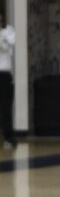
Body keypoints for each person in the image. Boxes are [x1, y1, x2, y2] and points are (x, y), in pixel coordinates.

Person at [0, 10, 16, 150]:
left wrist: (3, 36)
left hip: (4, 74)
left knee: (5, 106)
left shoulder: (8, 31)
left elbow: (11, 42)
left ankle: (9, 138)